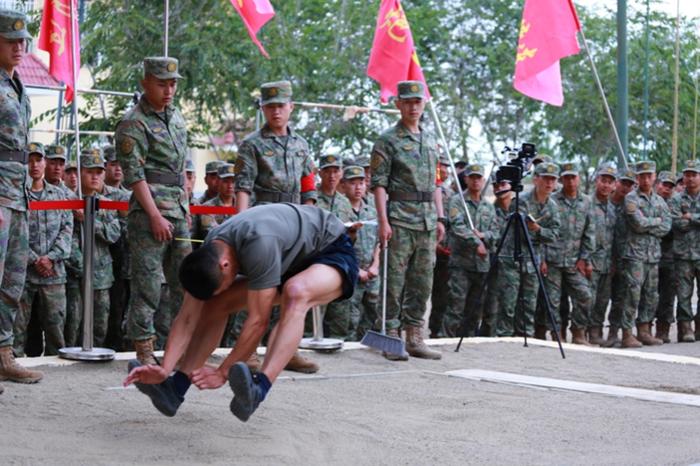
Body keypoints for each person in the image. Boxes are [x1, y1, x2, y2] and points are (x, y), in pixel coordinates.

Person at [123, 204, 358, 423]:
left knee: (295, 292)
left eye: (224, 283)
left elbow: (258, 321)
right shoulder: (210, 252)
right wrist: (164, 369)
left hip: (331, 250)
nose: (225, 287)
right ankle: (175, 388)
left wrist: (223, 372)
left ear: (225, 266)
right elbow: (186, 317)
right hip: (287, 259)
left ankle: (260, 387)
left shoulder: (259, 244)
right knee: (215, 304)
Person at [232, 80, 318, 373]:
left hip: (295, 223)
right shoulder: (252, 144)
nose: (276, 111)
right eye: (270, 107)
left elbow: (309, 188)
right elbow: (243, 187)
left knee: (293, 289)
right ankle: (247, 353)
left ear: (291, 107)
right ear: (263, 109)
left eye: (281, 106)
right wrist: (240, 226)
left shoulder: (301, 145)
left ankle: (286, 349)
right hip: (264, 222)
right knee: (260, 289)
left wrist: (309, 225)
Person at [115, 57, 191, 363]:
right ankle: (144, 350)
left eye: (172, 84)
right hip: (150, 214)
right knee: (148, 286)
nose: (169, 90)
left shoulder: (176, 117)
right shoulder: (133, 122)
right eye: (162, 83)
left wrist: (186, 207)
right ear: (145, 82)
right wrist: (155, 215)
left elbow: (182, 167)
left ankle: (182, 347)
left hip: (179, 210)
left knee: (185, 283)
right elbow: (134, 176)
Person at [371, 80, 445, 361]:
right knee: (394, 281)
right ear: (398, 104)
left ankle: (415, 335)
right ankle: (390, 337)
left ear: (424, 104)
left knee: (422, 281)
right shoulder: (387, 140)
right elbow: (378, 183)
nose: (413, 106)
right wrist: (382, 220)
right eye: (408, 101)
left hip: (426, 220)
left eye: (418, 101)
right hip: (400, 218)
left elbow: (436, 182)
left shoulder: (429, 139)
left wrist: (440, 217)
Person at [0, 9, 43, 388]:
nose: (20, 47)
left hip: (17, 194)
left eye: (23, 41)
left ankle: (3, 355)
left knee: (13, 282)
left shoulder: (18, 87)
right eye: (11, 41)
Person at [14, 143, 72, 357]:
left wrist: (50, 258)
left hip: (54, 275)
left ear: (44, 163)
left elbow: (67, 230)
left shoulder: (59, 196)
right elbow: (15, 233)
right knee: (17, 329)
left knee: (56, 328)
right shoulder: (18, 196)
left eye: (38, 160)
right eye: (29, 160)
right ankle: (15, 365)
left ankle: (58, 376)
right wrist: (35, 260)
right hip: (24, 274)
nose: (34, 165)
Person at [495, 162, 561, 337]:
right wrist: (538, 231)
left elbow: (554, 235)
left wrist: (538, 230)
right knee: (508, 304)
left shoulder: (553, 207)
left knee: (529, 304)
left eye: (553, 180)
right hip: (512, 258)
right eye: (545, 179)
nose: (549, 184)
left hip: (533, 261)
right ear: (536, 179)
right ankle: (504, 337)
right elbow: (521, 231)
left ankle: (526, 337)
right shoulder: (521, 201)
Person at [536, 162, 595, 345]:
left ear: (578, 179)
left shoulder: (586, 202)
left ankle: (578, 332)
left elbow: (589, 233)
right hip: (552, 260)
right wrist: (542, 259)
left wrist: (584, 259)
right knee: (552, 302)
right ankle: (556, 336)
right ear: (561, 180)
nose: (570, 181)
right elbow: (542, 230)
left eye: (573, 177)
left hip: (573, 261)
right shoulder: (551, 200)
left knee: (585, 295)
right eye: (566, 177)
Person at [441, 165, 497, 337]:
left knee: (475, 308)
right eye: (472, 177)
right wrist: (476, 242)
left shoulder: (488, 207)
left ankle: (469, 339)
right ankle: (447, 338)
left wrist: (483, 236)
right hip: (461, 264)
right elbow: (458, 227)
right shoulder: (457, 202)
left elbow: (496, 232)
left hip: (481, 266)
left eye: (479, 177)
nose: (475, 181)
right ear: (466, 179)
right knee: (456, 306)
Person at [619, 161, 671, 346]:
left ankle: (644, 330)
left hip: (653, 256)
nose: (646, 179)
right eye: (642, 176)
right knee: (632, 294)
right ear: (637, 178)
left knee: (651, 295)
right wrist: (655, 221)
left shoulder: (660, 201)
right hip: (635, 255)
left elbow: (666, 226)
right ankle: (626, 333)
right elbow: (637, 224)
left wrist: (650, 223)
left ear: (654, 176)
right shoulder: (631, 199)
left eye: (649, 175)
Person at [80, 149, 121, 346]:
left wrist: (88, 219)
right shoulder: (68, 200)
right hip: (76, 274)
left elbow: (113, 235)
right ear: (80, 172)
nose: (95, 176)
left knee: (100, 327)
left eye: (99, 172)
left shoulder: (107, 204)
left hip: (102, 276)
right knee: (72, 325)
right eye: (90, 171)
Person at [341, 165, 380, 340]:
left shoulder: (372, 211)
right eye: (353, 183)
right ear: (343, 186)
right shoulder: (340, 210)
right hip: (350, 272)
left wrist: (376, 265)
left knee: (373, 314)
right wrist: (356, 270)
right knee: (350, 318)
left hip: (372, 272)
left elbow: (380, 241)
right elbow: (337, 245)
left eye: (361, 183)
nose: (358, 188)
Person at [601, 166, 638, 347]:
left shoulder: (632, 207)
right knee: (600, 297)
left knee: (620, 298)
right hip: (603, 260)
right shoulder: (604, 203)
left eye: (630, 185)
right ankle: (594, 332)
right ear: (617, 183)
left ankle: (613, 333)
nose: (626, 188)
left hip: (624, 259)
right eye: (623, 183)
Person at [586, 163, 618, 345]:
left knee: (602, 300)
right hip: (590, 261)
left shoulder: (613, 209)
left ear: (614, 185)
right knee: (587, 299)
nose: (606, 185)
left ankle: (596, 332)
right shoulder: (586, 204)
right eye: (603, 181)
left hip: (607, 263)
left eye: (610, 182)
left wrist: (614, 261)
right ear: (596, 181)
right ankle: (581, 331)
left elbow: (615, 238)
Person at [668, 160, 700, 342]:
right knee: (684, 293)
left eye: (694, 175)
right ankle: (685, 328)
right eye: (687, 175)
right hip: (683, 255)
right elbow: (674, 222)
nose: (690, 179)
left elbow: (684, 221)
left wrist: (690, 217)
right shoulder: (676, 199)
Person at [653, 171, 677, 343]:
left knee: (667, 296)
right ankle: (644, 328)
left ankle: (663, 330)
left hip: (669, 256)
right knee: (648, 295)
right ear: (657, 184)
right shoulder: (649, 202)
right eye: (663, 184)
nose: (666, 189)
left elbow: (674, 227)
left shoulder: (674, 205)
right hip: (648, 256)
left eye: (670, 186)